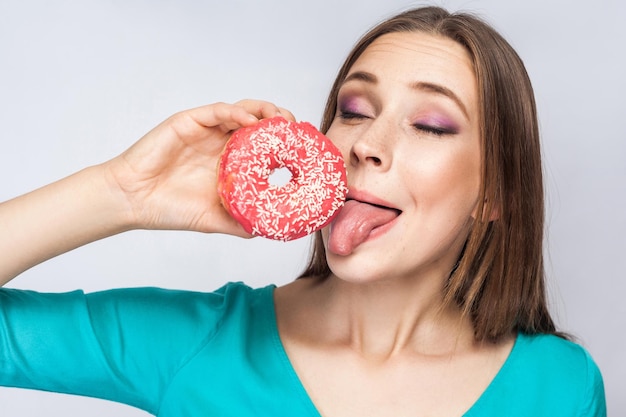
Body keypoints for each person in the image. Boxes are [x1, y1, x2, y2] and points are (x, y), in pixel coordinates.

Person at [0, 6, 606, 417]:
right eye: (354, 109)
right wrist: (120, 192)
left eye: (429, 124)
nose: (364, 143)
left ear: (494, 192)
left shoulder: (559, 386)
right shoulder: (199, 343)